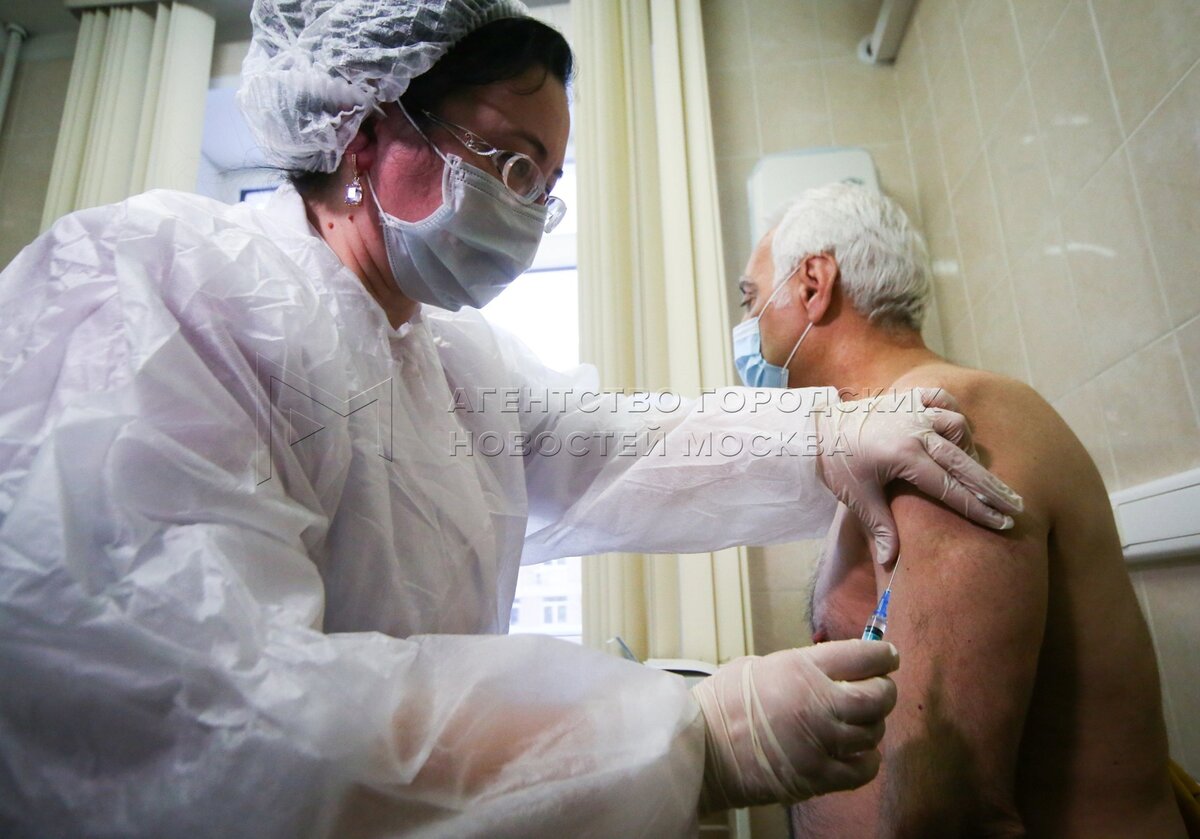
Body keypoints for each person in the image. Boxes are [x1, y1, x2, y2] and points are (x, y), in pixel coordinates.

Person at [0, 3, 1024, 837]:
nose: (528, 213)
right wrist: (683, 737)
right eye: (513, 165)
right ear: (368, 127)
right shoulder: (156, 288)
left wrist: (823, 438)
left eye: (547, 187)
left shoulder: (446, 359)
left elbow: (618, 450)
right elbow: (204, 716)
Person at [730, 183, 1187, 837]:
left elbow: (948, 814)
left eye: (751, 299)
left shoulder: (941, 421)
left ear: (812, 284)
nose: (748, 329)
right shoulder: (878, 440)